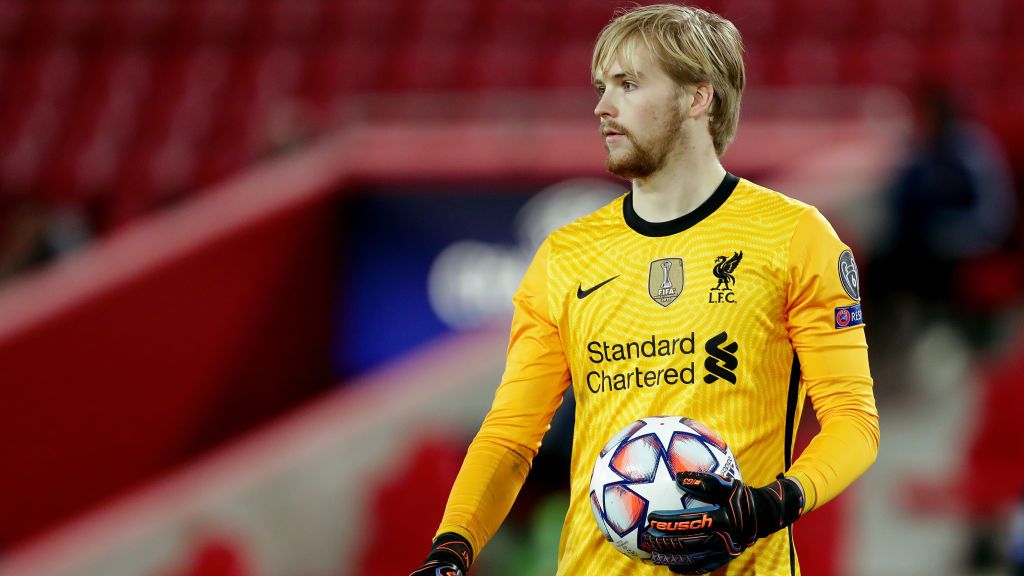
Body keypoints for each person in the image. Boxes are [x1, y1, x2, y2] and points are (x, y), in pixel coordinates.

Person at [410, 4, 879, 575]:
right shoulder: (565, 256)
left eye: (628, 85)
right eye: (601, 86)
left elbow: (854, 422)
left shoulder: (794, 237)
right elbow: (510, 438)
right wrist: (453, 547)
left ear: (697, 98)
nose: (602, 107)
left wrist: (773, 503)